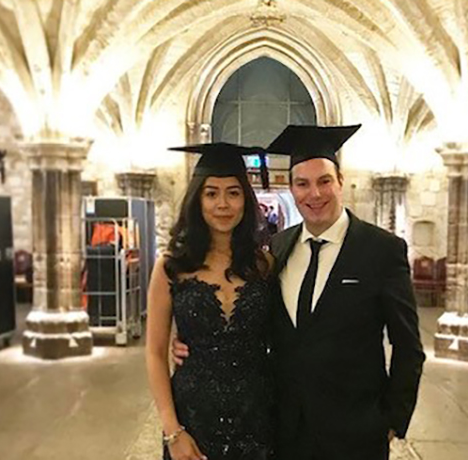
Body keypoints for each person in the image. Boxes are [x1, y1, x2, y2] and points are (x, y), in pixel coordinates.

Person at [175, 125, 426, 460]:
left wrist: (393, 418)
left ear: (340, 179)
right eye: (302, 183)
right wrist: (187, 339)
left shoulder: (381, 250)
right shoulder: (277, 249)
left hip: (355, 431)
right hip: (284, 428)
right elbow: (255, 319)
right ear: (291, 188)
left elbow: (408, 345)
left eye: (323, 181)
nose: (314, 194)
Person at [145, 142, 275, 460]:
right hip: (192, 419)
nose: (223, 204)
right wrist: (172, 430)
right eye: (211, 193)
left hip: (258, 418)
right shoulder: (171, 267)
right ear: (197, 200)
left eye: (233, 192)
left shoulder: (265, 265)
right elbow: (154, 352)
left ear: (246, 199)